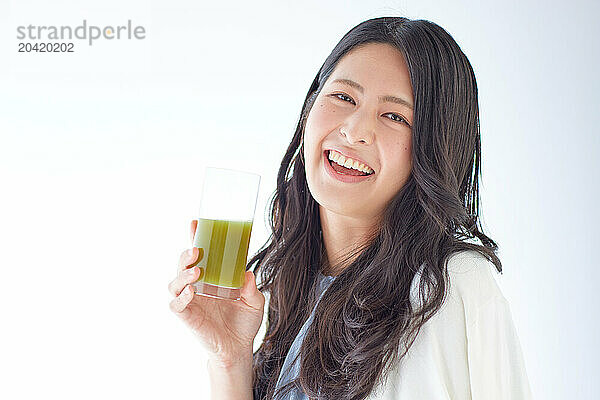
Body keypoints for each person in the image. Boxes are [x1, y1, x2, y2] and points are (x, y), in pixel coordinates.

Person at [168, 16, 533, 400]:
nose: (356, 129)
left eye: (395, 116)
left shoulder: (450, 287)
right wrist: (230, 360)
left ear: (432, 147)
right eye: (344, 97)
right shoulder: (292, 288)